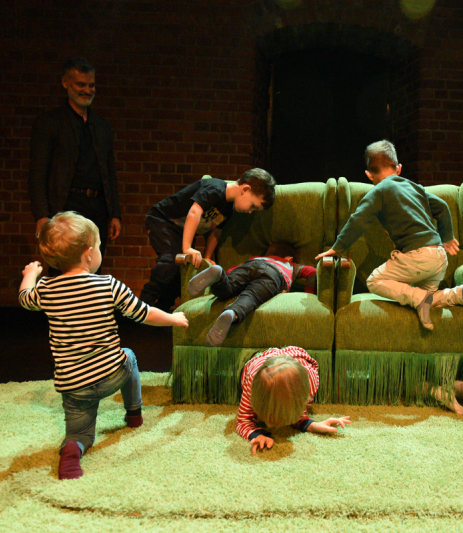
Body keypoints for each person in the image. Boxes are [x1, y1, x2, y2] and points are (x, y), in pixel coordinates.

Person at [18, 211, 189, 479]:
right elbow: (143, 313)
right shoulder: (108, 285)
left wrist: (31, 273)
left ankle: (72, 449)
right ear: (89, 254)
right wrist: (173, 319)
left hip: (74, 386)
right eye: (98, 247)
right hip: (111, 374)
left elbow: (24, 298)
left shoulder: (47, 289)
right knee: (128, 355)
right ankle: (134, 413)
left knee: (80, 433)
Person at [315, 139, 463, 330]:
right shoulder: (415, 187)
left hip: (417, 257)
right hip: (439, 257)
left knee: (375, 281)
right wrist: (447, 237)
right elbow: (442, 207)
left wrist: (337, 248)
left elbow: (358, 221)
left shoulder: (379, 191)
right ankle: (461, 293)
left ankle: (419, 298)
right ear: (398, 168)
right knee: (430, 299)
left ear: (369, 174)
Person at [29, 57, 121, 273]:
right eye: (81, 84)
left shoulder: (102, 127)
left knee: (93, 268)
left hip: (97, 207)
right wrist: (41, 214)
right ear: (65, 83)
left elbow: (110, 173)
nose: (87, 90)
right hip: (65, 206)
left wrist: (115, 213)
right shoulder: (50, 123)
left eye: (91, 85)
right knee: (61, 268)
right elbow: (38, 172)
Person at [140, 169, 276, 311]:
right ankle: (141, 306)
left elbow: (216, 231)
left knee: (182, 271)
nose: (250, 212)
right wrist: (187, 248)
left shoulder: (228, 209)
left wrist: (208, 257)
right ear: (245, 189)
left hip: (179, 231)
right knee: (170, 261)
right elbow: (194, 212)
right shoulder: (215, 189)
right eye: (253, 206)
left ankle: (161, 310)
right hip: (162, 220)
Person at [187, 242, 317, 346]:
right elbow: (312, 271)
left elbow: (232, 270)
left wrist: (226, 276)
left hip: (248, 266)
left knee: (228, 287)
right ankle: (232, 312)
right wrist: (309, 294)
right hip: (273, 274)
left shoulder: (255, 258)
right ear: (289, 258)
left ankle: (218, 276)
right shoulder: (290, 264)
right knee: (251, 296)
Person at [236, 346, 350, 455]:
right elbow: (243, 421)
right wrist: (256, 435)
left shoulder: (309, 385)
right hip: (257, 362)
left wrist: (313, 425)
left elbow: (299, 415)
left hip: (295, 358)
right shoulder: (253, 382)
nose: (271, 426)